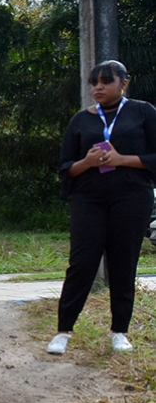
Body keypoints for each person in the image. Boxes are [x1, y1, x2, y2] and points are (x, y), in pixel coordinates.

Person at [47, 60, 156, 355]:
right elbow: (65, 168)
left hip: (132, 197)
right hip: (89, 199)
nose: (98, 87)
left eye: (106, 81)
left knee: (123, 263)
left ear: (124, 83)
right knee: (82, 263)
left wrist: (122, 159)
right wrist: (88, 163)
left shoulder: (143, 112)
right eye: (93, 82)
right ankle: (63, 332)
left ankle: (119, 331)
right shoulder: (80, 120)